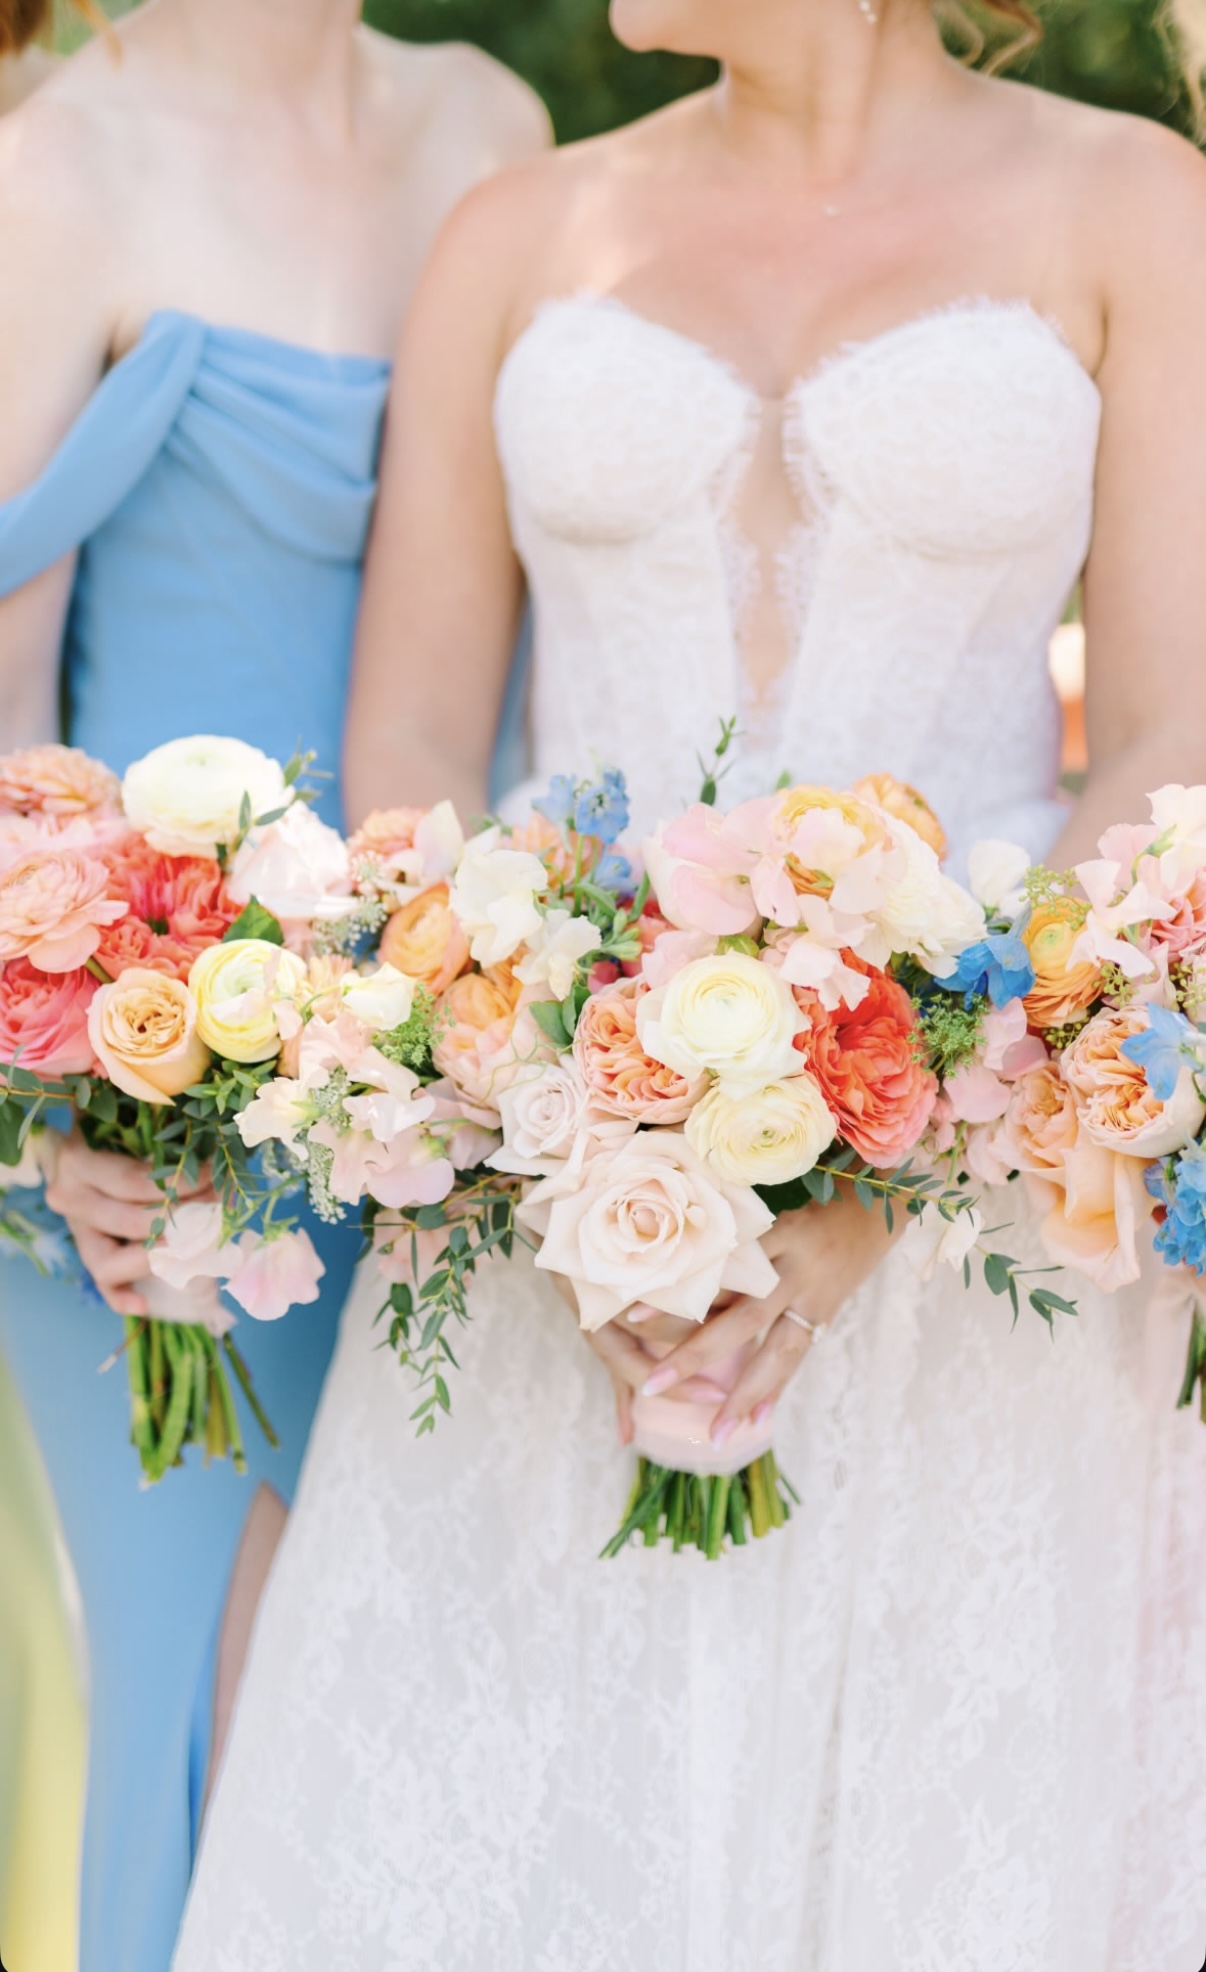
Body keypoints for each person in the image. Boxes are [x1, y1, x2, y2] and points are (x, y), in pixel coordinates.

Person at [177, 1, 1206, 1966]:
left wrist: (871, 1165)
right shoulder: (516, 231)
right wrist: (559, 1137)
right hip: (554, 1224)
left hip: (971, 1229)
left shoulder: (1131, 206)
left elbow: (1166, 738)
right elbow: (407, 734)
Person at [0, 3, 547, 1968]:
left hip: (440, 1088)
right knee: (222, 1715)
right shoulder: (59, 167)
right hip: (139, 1108)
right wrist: (63, 1110)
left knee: (424, 1737)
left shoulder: (491, 120)